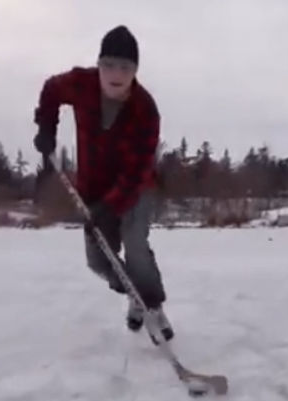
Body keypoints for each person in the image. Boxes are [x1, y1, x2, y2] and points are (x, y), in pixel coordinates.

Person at [32, 25, 173, 343]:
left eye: (125, 67)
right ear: (99, 65)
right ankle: (134, 295)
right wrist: (46, 128)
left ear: (135, 71)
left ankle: (152, 305)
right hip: (93, 188)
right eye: (108, 64)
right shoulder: (80, 84)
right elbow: (51, 91)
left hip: (135, 187)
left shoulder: (145, 109)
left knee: (135, 244)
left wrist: (112, 208)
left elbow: (137, 169)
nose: (115, 73)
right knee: (97, 260)